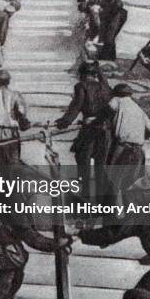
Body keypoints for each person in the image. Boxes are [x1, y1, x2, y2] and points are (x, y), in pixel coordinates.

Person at [56, 61, 112, 203]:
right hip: (106, 131)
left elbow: (76, 106)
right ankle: (102, 202)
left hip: (90, 130)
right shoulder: (106, 87)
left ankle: (85, 197)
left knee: (83, 160)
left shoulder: (81, 86)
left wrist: (63, 122)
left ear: (82, 75)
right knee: (101, 165)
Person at [104, 84, 150, 205]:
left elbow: (107, 111)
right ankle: (133, 215)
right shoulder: (137, 108)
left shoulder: (117, 100)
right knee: (133, 183)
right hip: (138, 149)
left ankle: (109, 212)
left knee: (112, 178)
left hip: (122, 147)